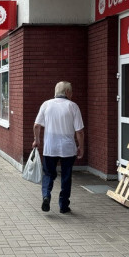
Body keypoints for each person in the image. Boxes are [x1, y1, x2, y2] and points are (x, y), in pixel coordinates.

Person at [33, 81, 84, 214]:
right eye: (71, 92)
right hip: (68, 149)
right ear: (67, 92)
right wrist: (81, 147)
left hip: (50, 148)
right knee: (66, 176)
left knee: (48, 174)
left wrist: (37, 140)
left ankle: (46, 196)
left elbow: (36, 125)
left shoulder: (46, 104)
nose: (72, 94)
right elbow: (79, 131)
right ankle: (63, 206)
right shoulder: (73, 106)